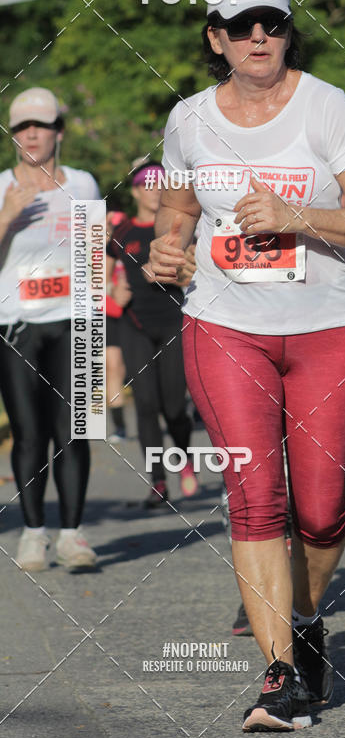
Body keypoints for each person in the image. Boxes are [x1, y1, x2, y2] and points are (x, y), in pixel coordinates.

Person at [148, 0, 345, 731]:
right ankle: (279, 673)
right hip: (225, 327)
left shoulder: (327, 109)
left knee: (320, 509)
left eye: (276, 23)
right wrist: (165, 249)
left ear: (289, 32)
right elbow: (177, 209)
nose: (262, 35)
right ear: (217, 38)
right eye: (245, 24)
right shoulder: (189, 119)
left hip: (325, 326)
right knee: (256, 499)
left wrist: (296, 216)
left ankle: (307, 615)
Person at [0, 87, 98, 571]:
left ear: (58, 131)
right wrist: (6, 219)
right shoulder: (0, 187)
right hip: (17, 326)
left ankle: (73, 536)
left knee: (76, 433)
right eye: (21, 127)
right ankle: (33, 534)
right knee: (29, 434)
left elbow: (94, 257)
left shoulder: (82, 183)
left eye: (39, 125)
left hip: (76, 323)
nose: (31, 134)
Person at [106, 161, 197, 508]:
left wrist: (165, 274)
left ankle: (185, 458)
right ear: (134, 190)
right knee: (145, 405)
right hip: (135, 327)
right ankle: (158, 481)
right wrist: (113, 298)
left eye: (161, 182)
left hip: (173, 323)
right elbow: (98, 275)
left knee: (174, 407)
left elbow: (193, 275)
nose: (154, 188)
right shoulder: (121, 231)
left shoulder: (179, 226)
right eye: (146, 182)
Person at [105, 209, 129, 442]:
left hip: (134, 314)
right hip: (109, 315)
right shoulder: (97, 252)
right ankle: (119, 427)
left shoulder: (133, 246)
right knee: (113, 367)